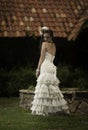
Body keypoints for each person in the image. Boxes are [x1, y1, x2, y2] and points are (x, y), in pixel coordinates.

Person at [30, 27, 70, 116]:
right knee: (52, 88)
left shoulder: (44, 44)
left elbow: (42, 58)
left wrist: (38, 69)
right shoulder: (54, 45)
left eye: (47, 37)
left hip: (45, 66)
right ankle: (53, 108)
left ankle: (44, 109)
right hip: (52, 67)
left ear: (51, 36)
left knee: (44, 87)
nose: (45, 39)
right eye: (44, 37)